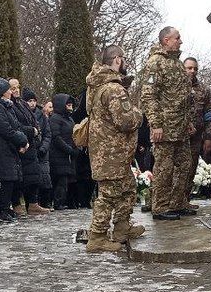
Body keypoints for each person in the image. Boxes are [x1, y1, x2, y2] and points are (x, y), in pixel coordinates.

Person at [86, 45, 145, 252]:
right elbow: (126, 121)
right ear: (118, 60)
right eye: (124, 59)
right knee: (109, 195)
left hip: (112, 152)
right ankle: (97, 236)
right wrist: (139, 113)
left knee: (128, 188)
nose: (125, 63)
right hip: (111, 152)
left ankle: (122, 227)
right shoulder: (113, 89)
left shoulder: (98, 86)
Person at [140, 26, 193, 221]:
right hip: (165, 127)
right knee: (164, 167)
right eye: (177, 38)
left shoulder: (177, 64)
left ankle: (177, 203)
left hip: (181, 127)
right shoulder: (155, 63)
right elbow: (149, 95)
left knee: (185, 164)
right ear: (166, 40)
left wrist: (187, 122)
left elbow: (183, 97)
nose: (181, 41)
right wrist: (156, 124)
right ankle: (160, 206)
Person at [0, 78, 29, 222]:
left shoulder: (6, 106)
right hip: (2, 147)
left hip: (10, 147)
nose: (11, 92)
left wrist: (22, 140)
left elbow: (16, 126)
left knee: (11, 178)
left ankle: (6, 208)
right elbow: (6, 129)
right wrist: (22, 139)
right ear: (3, 92)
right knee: (7, 178)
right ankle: (2, 209)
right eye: (9, 90)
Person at [181, 57, 211, 210]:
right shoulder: (175, 86)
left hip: (196, 137)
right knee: (174, 168)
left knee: (191, 167)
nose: (192, 71)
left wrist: (209, 137)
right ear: (183, 68)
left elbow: (210, 115)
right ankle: (166, 201)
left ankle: (184, 200)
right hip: (177, 136)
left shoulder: (203, 90)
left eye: (195, 68)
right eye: (189, 68)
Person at [12, 82, 47, 215]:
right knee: (19, 178)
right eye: (13, 88)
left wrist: (36, 130)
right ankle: (17, 204)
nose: (16, 90)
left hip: (31, 145)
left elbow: (34, 121)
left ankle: (33, 203)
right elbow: (15, 125)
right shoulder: (10, 105)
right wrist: (30, 131)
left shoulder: (21, 104)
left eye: (17, 87)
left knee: (33, 176)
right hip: (21, 145)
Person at [48, 93, 78, 210]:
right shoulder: (55, 118)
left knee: (67, 180)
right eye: (67, 104)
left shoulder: (69, 118)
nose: (70, 107)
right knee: (61, 180)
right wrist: (69, 149)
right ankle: (58, 202)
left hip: (68, 155)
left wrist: (76, 147)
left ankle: (66, 202)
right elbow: (56, 137)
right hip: (59, 155)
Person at [31, 93, 53, 209]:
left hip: (42, 153)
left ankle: (46, 202)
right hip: (31, 151)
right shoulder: (26, 114)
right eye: (30, 101)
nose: (32, 103)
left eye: (34, 100)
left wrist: (43, 148)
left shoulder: (42, 116)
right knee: (34, 179)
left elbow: (48, 134)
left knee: (45, 179)